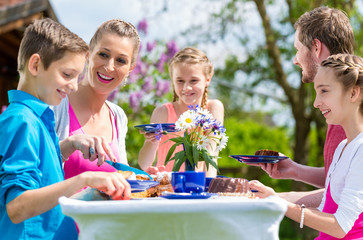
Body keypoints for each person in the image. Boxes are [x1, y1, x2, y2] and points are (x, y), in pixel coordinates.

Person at [0, 18, 131, 240]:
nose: (73, 85)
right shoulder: (22, 121)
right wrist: (84, 179)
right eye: (67, 75)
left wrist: (92, 191)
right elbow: (17, 207)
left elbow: (46, 183)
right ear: (35, 65)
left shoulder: (38, 118)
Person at [250, 54, 363, 239]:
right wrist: (268, 196)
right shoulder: (344, 146)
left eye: (324, 91)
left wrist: (279, 202)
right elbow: (327, 204)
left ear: (353, 93)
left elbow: (340, 226)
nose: (316, 103)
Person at [251, 6, 354, 207]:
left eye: (298, 49)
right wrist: (294, 170)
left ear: (316, 47)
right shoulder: (336, 103)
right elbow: (342, 177)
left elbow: (348, 191)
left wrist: (277, 199)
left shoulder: (351, 104)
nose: (295, 60)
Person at [53, 19, 140, 180]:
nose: (109, 67)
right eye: (103, 54)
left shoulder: (118, 116)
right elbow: (33, 167)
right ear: (88, 54)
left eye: (121, 60)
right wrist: (69, 144)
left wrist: (147, 177)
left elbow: (122, 176)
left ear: (130, 68)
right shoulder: (56, 104)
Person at [138, 47, 224, 177]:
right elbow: (144, 164)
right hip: (166, 187)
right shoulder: (163, 112)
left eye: (193, 80)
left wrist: (208, 186)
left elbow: (211, 153)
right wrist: (153, 141)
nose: (186, 88)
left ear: (207, 79)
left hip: (197, 186)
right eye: (180, 81)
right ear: (173, 80)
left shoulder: (213, 108)